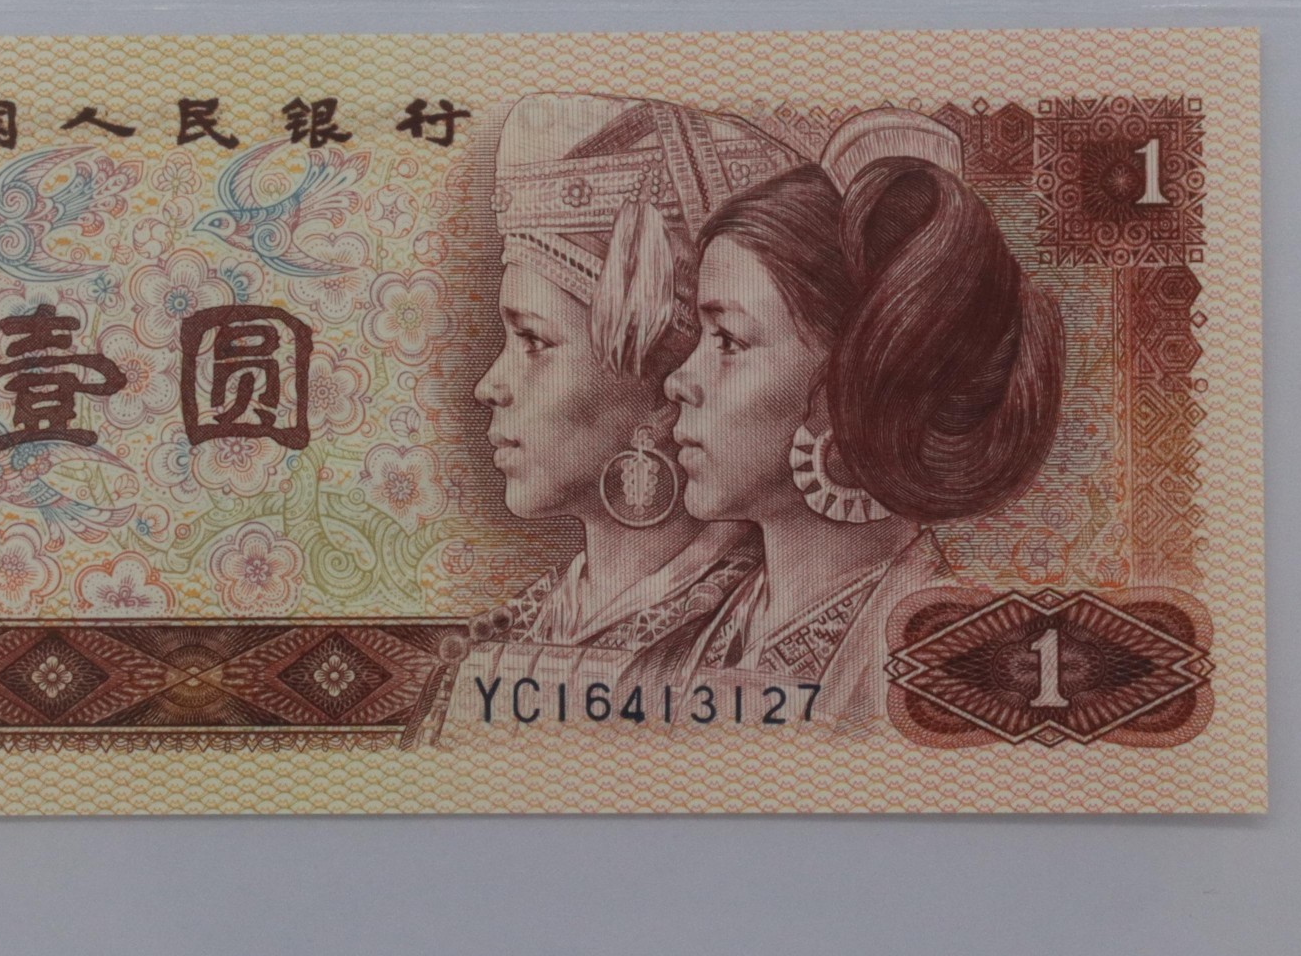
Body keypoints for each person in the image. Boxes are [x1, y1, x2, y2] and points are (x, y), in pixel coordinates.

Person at [630, 108, 1064, 728]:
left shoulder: (958, 671)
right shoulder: (663, 662)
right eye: (700, 335)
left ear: (856, 383)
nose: (678, 380)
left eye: (728, 340)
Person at [416, 96, 800, 743]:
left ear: (664, 390)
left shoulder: (764, 640)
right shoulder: (514, 630)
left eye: (534, 341)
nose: (489, 386)